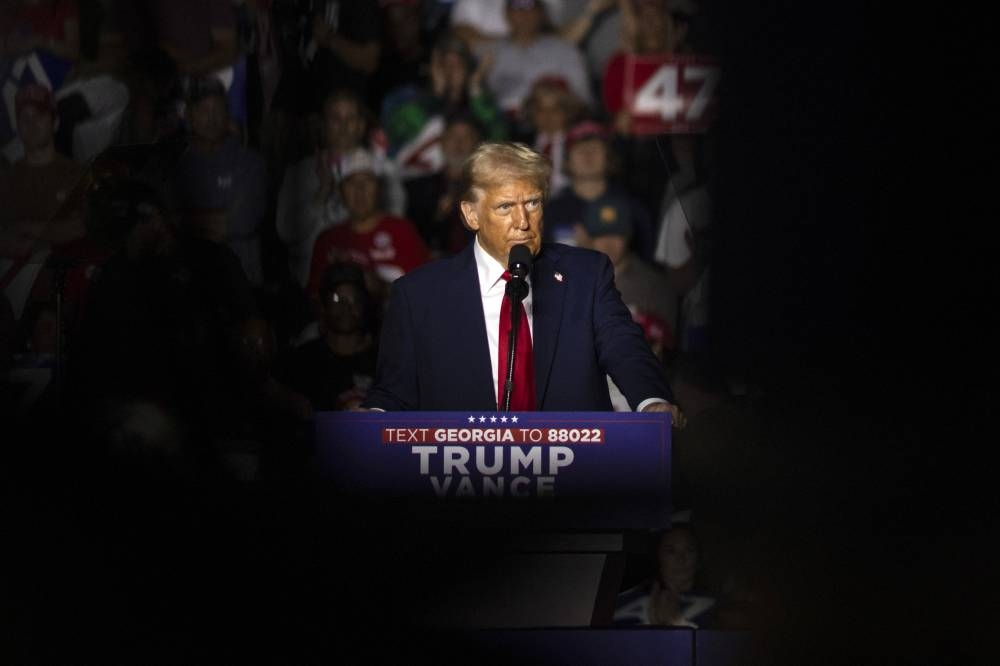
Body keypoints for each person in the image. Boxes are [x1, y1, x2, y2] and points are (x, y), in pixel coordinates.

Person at [360, 141, 685, 425]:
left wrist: (651, 400)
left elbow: (624, 347)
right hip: (463, 482)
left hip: (573, 477)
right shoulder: (419, 295)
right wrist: (371, 416)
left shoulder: (586, 274)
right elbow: (393, 392)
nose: (523, 221)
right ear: (471, 215)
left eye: (532, 202)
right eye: (505, 207)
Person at [613, 522, 717, 627]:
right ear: (659, 557)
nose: (681, 559)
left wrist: (677, 623)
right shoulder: (623, 603)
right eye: (671, 551)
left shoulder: (717, 606)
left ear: (699, 557)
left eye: (689, 550)